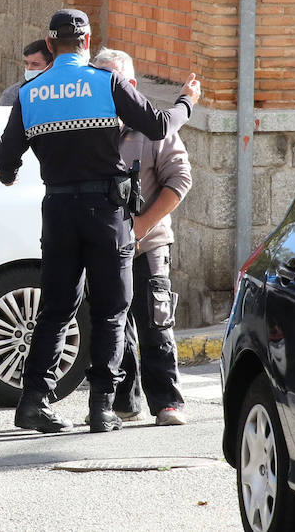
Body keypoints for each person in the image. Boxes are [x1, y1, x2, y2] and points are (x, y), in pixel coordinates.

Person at [0, 8, 200, 434]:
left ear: (50, 46)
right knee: (111, 311)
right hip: (107, 215)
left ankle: (34, 400)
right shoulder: (107, 83)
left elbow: (6, 162)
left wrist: (11, 173)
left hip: (58, 212)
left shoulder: (30, 93)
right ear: (86, 42)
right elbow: (159, 126)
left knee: (56, 308)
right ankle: (102, 408)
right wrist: (186, 103)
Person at [92, 48, 192, 427]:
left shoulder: (153, 128)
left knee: (154, 320)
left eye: (113, 84)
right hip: (103, 245)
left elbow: (180, 181)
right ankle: (124, 400)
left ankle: (168, 402)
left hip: (147, 243)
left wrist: (140, 226)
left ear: (130, 86)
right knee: (112, 324)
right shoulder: (88, 126)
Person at [0, 39, 54, 106]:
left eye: (35, 64)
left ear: (50, 65)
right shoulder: (13, 93)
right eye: (26, 63)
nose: (29, 68)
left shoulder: (59, 91)